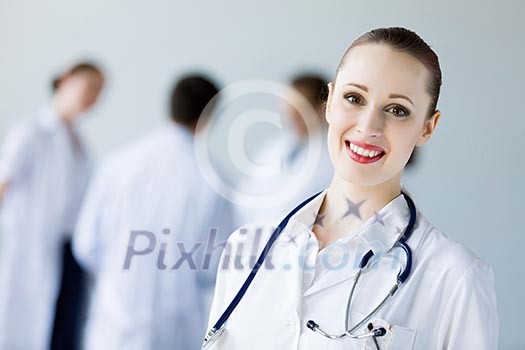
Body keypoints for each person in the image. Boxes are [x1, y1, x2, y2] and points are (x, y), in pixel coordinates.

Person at [205, 27, 499, 349]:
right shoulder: (247, 249)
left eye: (397, 110)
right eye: (354, 98)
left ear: (427, 128)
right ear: (329, 102)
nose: (368, 126)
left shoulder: (455, 278)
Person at [74, 74, 234, 350]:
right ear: (210, 116)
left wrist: (123, 276)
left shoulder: (118, 163)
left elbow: (86, 245)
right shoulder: (213, 178)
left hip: (113, 324)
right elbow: (215, 266)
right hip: (174, 329)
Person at [0, 61, 105, 349]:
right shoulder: (30, 132)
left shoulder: (80, 144)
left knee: (65, 329)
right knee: (34, 329)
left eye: (99, 92)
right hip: (33, 251)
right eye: (90, 86)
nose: (94, 97)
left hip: (71, 252)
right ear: (65, 79)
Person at [234, 74, 334, 227]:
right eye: (289, 107)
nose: (292, 115)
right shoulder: (271, 150)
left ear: (322, 107)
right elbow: (244, 199)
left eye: (300, 108)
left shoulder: (333, 159)